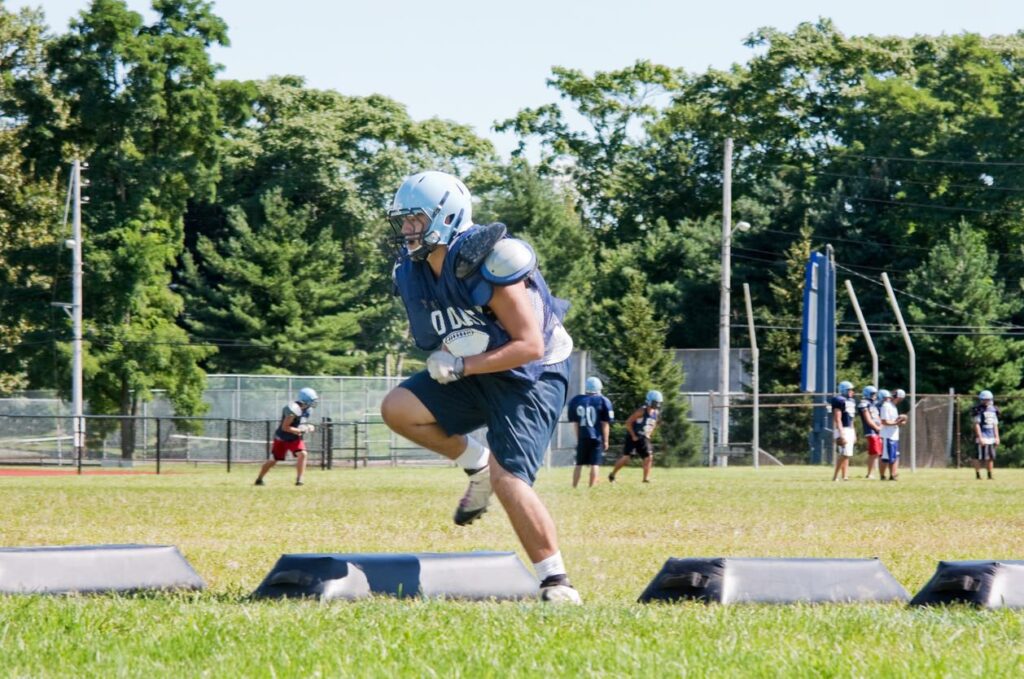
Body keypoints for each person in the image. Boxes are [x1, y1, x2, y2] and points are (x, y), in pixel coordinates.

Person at [378, 171, 579, 603]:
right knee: (398, 408)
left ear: (446, 216)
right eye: (404, 220)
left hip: (532, 374)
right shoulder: (412, 270)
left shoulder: (492, 259)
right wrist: (460, 364)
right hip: (476, 367)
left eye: (416, 219)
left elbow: (529, 346)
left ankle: (556, 581)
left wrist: (463, 365)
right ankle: (477, 464)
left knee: (511, 480)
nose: (408, 230)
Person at [255, 387, 318, 487]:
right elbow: (285, 427)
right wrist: (302, 430)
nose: (314, 403)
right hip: (282, 438)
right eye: (311, 401)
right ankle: (259, 479)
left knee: (303, 454)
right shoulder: (293, 409)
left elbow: (301, 423)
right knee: (273, 460)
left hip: (294, 438)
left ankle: (299, 480)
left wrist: (309, 426)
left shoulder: (307, 410)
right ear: (305, 400)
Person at [567, 376, 614, 488]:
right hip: (596, 436)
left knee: (579, 464)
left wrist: (579, 438)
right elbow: (605, 423)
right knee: (595, 463)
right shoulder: (603, 401)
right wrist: (606, 440)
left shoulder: (577, 400)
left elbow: (576, 423)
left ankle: (574, 486)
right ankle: (591, 487)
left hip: (583, 436)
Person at [608, 390, 662, 484]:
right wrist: (633, 436)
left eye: (658, 403)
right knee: (626, 458)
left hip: (643, 437)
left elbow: (654, 424)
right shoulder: (641, 411)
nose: (657, 405)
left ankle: (646, 478)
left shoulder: (655, 413)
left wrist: (649, 434)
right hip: (633, 436)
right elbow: (628, 422)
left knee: (649, 456)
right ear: (649, 401)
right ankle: (612, 474)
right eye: (655, 402)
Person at [878, 389, 907, 481]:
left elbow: (893, 421)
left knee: (894, 456)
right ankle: (882, 476)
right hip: (887, 435)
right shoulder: (886, 406)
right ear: (898, 397)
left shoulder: (893, 406)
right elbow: (884, 421)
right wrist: (896, 423)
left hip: (893, 435)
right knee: (886, 457)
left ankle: (893, 475)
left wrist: (901, 421)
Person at [972, 389, 1000, 480]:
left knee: (990, 457)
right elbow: (976, 424)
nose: (986, 401)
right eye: (985, 399)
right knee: (979, 457)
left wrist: (997, 437)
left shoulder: (993, 410)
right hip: (983, 436)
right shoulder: (978, 410)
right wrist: (980, 437)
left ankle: (989, 475)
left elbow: (995, 424)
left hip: (991, 436)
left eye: (988, 399)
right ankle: (978, 475)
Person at [831, 381, 857, 481]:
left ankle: (845, 476)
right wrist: (841, 432)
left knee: (847, 454)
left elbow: (852, 419)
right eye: (850, 390)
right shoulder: (839, 400)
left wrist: (854, 432)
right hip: (843, 428)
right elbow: (837, 418)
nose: (852, 392)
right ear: (844, 390)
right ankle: (835, 476)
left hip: (849, 429)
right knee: (844, 453)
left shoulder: (851, 401)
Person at [857, 385, 882, 479]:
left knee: (877, 452)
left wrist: (880, 427)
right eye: (873, 394)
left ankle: (873, 472)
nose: (875, 396)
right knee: (874, 452)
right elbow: (868, 419)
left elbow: (878, 417)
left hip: (877, 429)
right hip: (871, 430)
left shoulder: (874, 404)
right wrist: (877, 428)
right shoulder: (864, 403)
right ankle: (869, 473)